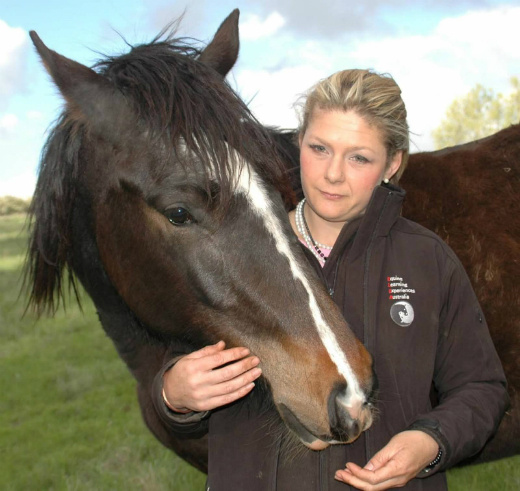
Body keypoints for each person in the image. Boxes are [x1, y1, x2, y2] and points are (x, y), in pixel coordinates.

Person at [152, 69, 509, 490]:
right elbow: (172, 375)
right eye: (319, 148)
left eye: (358, 157)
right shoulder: (230, 251)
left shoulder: (427, 259)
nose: (332, 174)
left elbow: (482, 388)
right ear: (298, 142)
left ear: (392, 164)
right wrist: (173, 394)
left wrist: (430, 441)